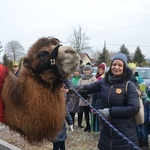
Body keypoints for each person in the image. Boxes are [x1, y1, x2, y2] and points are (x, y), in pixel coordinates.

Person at [77, 53, 140, 149]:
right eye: (114, 64)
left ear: (124, 68)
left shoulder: (129, 85)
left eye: (120, 65)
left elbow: (134, 108)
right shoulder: (104, 82)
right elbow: (87, 88)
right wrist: (69, 89)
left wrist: (110, 111)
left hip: (125, 135)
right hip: (106, 135)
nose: (116, 67)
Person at [128, 62, 149, 149]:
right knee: (136, 124)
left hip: (141, 103)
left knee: (141, 123)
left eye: (132, 70)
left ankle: (143, 142)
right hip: (133, 104)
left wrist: (143, 94)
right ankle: (139, 141)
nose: (132, 71)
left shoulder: (138, 79)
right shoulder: (127, 79)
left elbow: (143, 92)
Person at [78, 65, 97, 132]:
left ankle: (92, 126)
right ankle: (87, 125)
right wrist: (81, 94)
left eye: (88, 70)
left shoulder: (93, 78)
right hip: (83, 98)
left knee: (91, 113)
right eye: (86, 70)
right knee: (85, 113)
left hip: (90, 98)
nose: (87, 71)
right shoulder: (81, 78)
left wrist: (89, 94)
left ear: (90, 71)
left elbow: (95, 88)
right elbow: (78, 87)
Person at [91, 63, 106, 132]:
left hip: (105, 103)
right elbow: (94, 96)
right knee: (99, 120)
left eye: (101, 69)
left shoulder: (106, 78)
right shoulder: (96, 78)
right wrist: (92, 106)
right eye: (99, 69)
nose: (100, 71)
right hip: (98, 103)